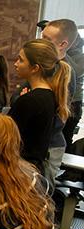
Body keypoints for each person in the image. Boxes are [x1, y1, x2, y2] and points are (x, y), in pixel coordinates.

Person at [9, 39, 70, 176]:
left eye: (20, 60)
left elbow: (6, 137)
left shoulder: (30, 100)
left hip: (21, 169)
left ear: (35, 68)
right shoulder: (49, 96)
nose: (16, 64)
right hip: (33, 168)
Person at [42, 19, 81, 153]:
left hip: (47, 142)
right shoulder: (43, 63)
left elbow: (56, 114)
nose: (41, 42)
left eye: (47, 39)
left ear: (63, 44)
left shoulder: (66, 71)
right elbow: (17, 96)